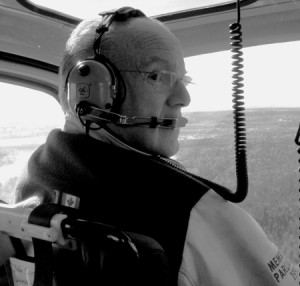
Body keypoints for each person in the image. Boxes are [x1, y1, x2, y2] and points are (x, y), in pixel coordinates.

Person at [12, 6, 298, 286]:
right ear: (90, 88)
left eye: (183, 80)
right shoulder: (193, 216)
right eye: (158, 76)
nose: (184, 97)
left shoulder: (32, 177)